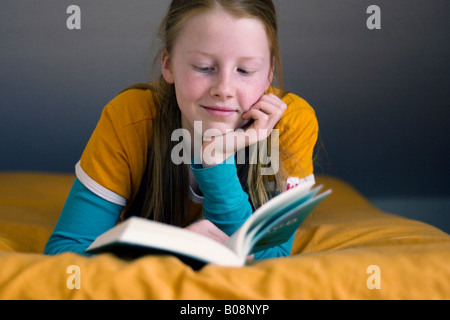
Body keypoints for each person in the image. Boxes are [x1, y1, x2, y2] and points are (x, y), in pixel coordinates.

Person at [44, 0, 319, 261]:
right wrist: (163, 253)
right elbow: (63, 254)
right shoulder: (130, 119)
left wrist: (216, 160)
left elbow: (270, 261)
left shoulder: (291, 123)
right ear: (168, 65)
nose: (223, 89)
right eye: (203, 67)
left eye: (245, 71)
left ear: (270, 72)